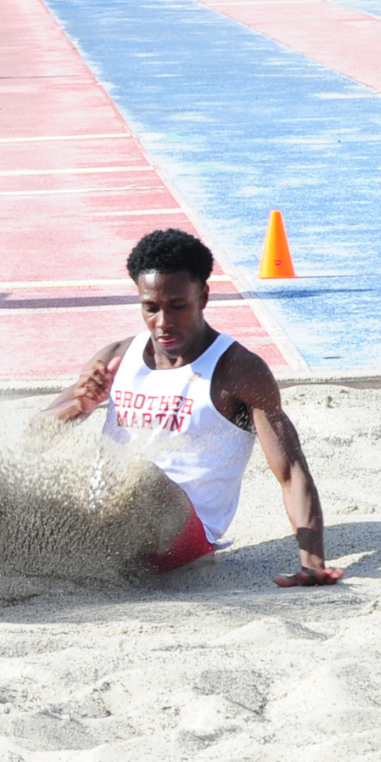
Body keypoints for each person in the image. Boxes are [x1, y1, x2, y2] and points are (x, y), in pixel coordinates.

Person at [43, 228, 344, 588]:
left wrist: (312, 563)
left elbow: (291, 470)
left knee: (138, 475)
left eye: (177, 307)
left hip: (182, 534)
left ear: (202, 296)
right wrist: (79, 406)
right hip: (108, 523)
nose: (163, 323)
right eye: (150, 308)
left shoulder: (237, 370)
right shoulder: (118, 358)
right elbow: (29, 439)